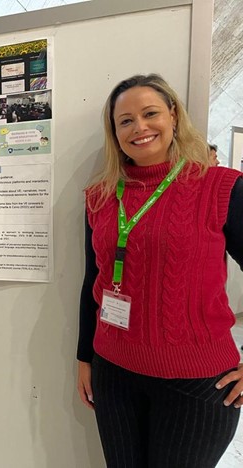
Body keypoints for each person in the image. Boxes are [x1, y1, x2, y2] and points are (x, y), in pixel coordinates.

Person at [76, 74, 243, 467]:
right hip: (113, 374)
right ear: (114, 132)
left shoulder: (220, 186)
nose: (140, 128)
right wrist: (85, 358)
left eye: (150, 114)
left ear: (172, 116)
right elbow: (92, 283)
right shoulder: (100, 196)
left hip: (198, 384)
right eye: (126, 121)